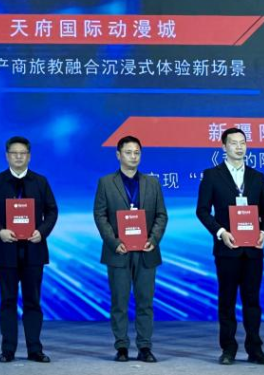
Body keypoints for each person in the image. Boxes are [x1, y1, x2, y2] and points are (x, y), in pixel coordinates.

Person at [195, 127, 264, 366]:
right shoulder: (212, 175)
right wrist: (221, 233)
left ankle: (255, 349)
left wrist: (263, 232)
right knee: (227, 300)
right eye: (233, 143)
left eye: (243, 142)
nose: (239, 147)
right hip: (227, 249)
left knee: (252, 301)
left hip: (253, 250)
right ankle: (228, 349)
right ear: (224, 147)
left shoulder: (257, 177)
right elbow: (202, 211)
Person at [0, 136, 57, 363]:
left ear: (29, 156)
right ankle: (8, 350)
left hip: (34, 249)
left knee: (33, 301)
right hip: (6, 249)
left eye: (23, 153)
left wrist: (42, 231)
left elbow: (52, 211)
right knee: (8, 301)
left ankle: (35, 349)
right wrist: (0, 231)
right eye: (14, 153)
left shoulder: (40, 182)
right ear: (7, 156)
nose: (18, 157)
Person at [92, 135, 167, 362]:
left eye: (137, 153)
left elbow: (161, 215)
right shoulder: (106, 183)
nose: (133, 157)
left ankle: (145, 347)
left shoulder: (152, 183)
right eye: (128, 152)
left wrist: (153, 239)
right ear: (118, 155)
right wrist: (114, 242)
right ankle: (122, 346)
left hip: (146, 251)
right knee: (119, 302)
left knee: (145, 302)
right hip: (118, 251)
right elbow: (100, 215)